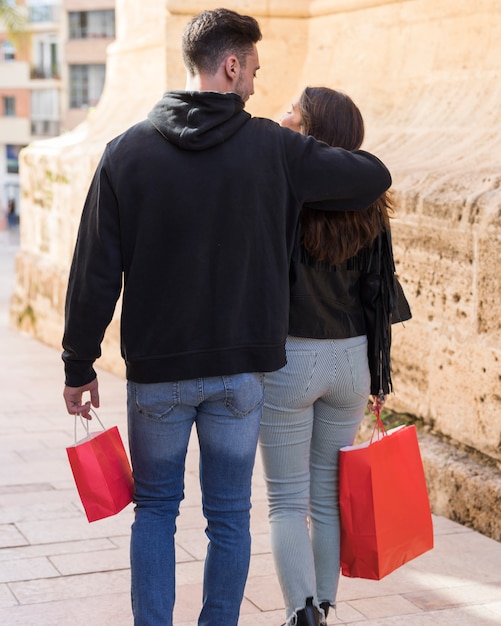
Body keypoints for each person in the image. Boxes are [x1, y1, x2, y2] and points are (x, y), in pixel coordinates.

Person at [61, 9, 391, 626]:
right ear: (231, 65)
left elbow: (94, 274)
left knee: (156, 510)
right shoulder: (273, 148)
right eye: (255, 71)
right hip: (241, 376)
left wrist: (78, 366)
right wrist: (298, 148)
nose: (258, 87)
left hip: (157, 373)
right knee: (230, 516)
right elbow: (373, 176)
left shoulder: (125, 153)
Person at [259, 87, 411, 626]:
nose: (281, 115)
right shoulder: (371, 203)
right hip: (351, 359)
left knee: (285, 502)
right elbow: (379, 291)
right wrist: (376, 368)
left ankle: (301, 612)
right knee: (327, 496)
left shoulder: (283, 191)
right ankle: (325, 604)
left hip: (290, 359)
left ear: (311, 130)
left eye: (291, 112)